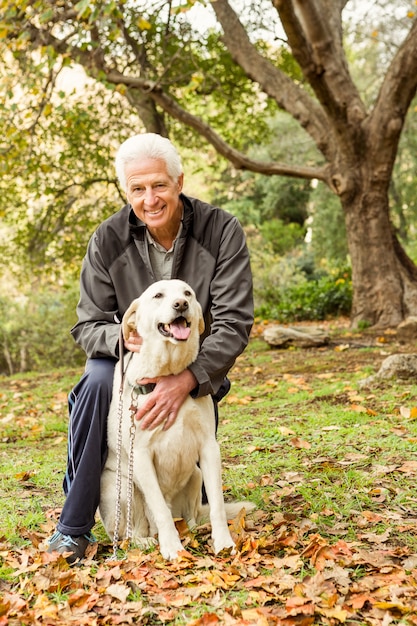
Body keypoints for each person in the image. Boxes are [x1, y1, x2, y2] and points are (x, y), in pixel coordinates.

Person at [46, 133, 254, 563]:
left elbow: (233, 322)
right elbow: (86, 324)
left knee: (191, 400)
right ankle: (73, 527)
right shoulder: (106, 239)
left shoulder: (221, 230)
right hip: (126, 362)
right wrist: (121, 337)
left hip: (194, 359)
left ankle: (190, 503)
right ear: (127, 192)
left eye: (159, 185)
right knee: (96, 384)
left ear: (179, 181)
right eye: (138, 189)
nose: (150, 198)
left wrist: (188, 379)